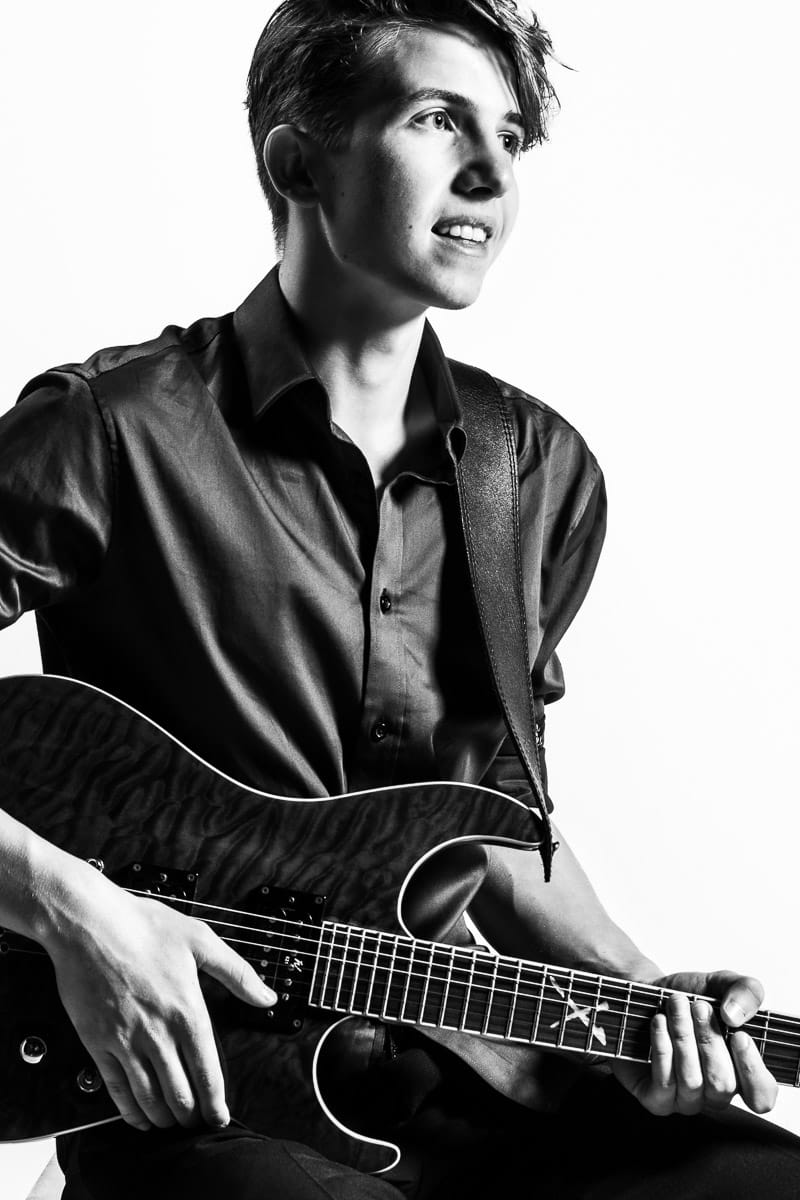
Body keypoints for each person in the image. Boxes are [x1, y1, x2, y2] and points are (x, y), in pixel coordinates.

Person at [1, 1, 799, 1196]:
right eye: (437, 120)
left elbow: (495, 823)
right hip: (190, 1093)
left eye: (509, 137)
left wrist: (638, 999)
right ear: (296, 161)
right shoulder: (109, 430)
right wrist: (73, 911)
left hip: (455, 1070)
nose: (491, 173)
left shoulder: (536, 472)